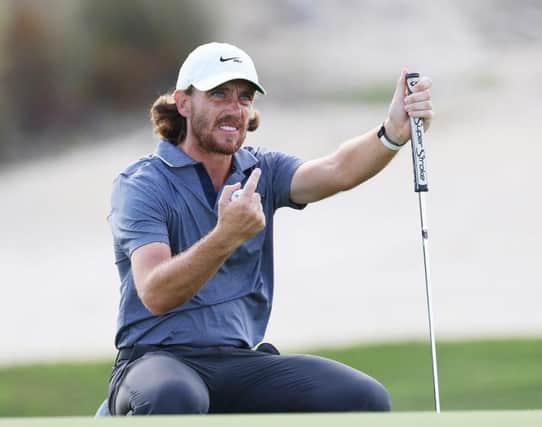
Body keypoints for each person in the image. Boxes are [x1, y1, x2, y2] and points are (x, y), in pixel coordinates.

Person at [106, 42, 433, 415]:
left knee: (362, 397)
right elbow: (155, 293)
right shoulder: (142, 184)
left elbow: (336, 170)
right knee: (175, 396)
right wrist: (226, 236)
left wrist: (392, 132)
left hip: (239, 363)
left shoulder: (261, 170)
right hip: (154, 361)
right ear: (183, 103)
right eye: (219, 95)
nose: (234, 109)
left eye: (244, 98)